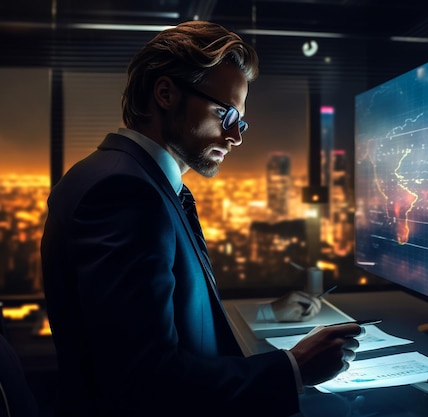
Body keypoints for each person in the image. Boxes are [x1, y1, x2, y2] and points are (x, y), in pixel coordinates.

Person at [40, 21, 361, 417]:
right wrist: (292, 368)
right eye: (226, 114)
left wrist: (268, 313)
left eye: (239, 122)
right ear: (165, 93)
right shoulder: (125, 193)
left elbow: (158, 323)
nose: (236, 137)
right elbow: (146, 380)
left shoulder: (128, 178)